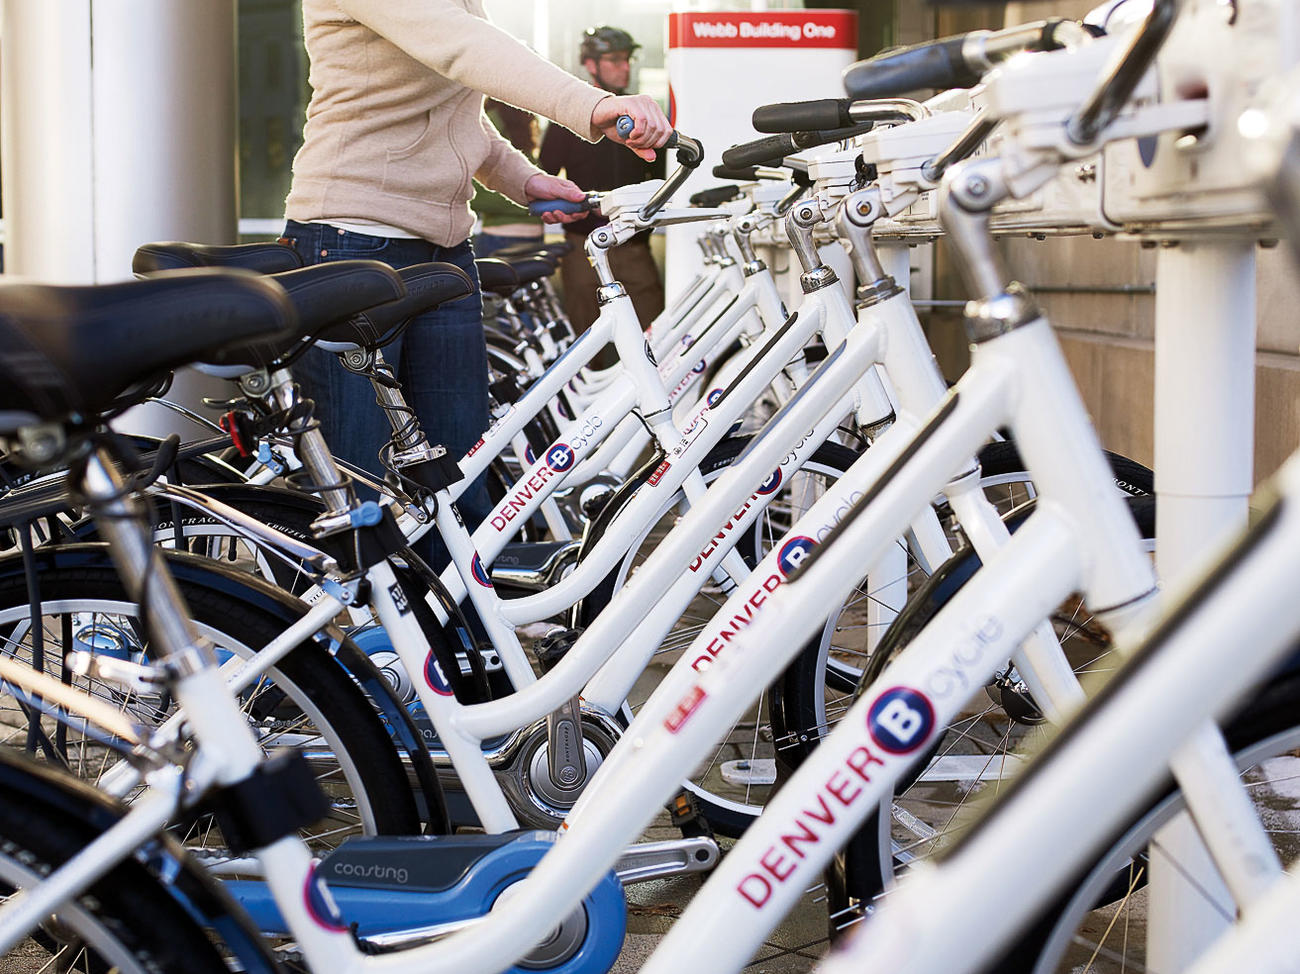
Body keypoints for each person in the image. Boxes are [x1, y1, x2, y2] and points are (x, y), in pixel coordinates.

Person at [278, 0, 670, 565]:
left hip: (444, 246)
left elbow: (460, 110)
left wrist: (525, 179)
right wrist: (594, 106)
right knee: (366, 476)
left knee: (459, 468)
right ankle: (373, 640)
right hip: (350, 238)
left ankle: (462, 638)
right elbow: (463, 48)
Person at [539, 26, 667, 360]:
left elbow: (665, 176)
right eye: (614, 60)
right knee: (591, 350)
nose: (624, 67)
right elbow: (542, 177)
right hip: (584, 251)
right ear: (592, 65)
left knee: (656, 344)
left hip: (636, 247)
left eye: (627, 60)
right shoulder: (566, 119)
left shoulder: (643, 117)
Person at [472, 101, 544, 257]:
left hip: (498, 235)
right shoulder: (527, 122)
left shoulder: (489, 120)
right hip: (534, 233)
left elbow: (474, 194)